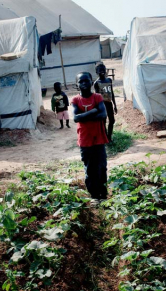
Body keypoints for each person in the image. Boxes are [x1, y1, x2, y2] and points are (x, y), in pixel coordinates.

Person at [72, 72, 108, 204]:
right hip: (85, 140)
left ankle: (103, 195)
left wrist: (84, 115)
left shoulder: (97, 97)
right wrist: (93, 111)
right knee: (90, 168)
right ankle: (94, 196)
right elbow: (76, 118)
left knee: (102, 167)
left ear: (92, 82)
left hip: (99, 138)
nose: (84, 84)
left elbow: (103, 115)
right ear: (77, 85)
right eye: (81, 81)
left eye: (86, 81)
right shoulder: (75, 100)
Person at [94, 63, 117, 142]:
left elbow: (112, 93)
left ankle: (109, 136)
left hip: (109, 103)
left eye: (103, 69)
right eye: (100, 70)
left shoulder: (109, 80)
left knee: (112, 120)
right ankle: (105, 138)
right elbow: (96, 97)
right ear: (96, 72)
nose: (102, 71)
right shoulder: (96, 83)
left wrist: (115, 105)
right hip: (102, 105)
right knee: (103, 122)